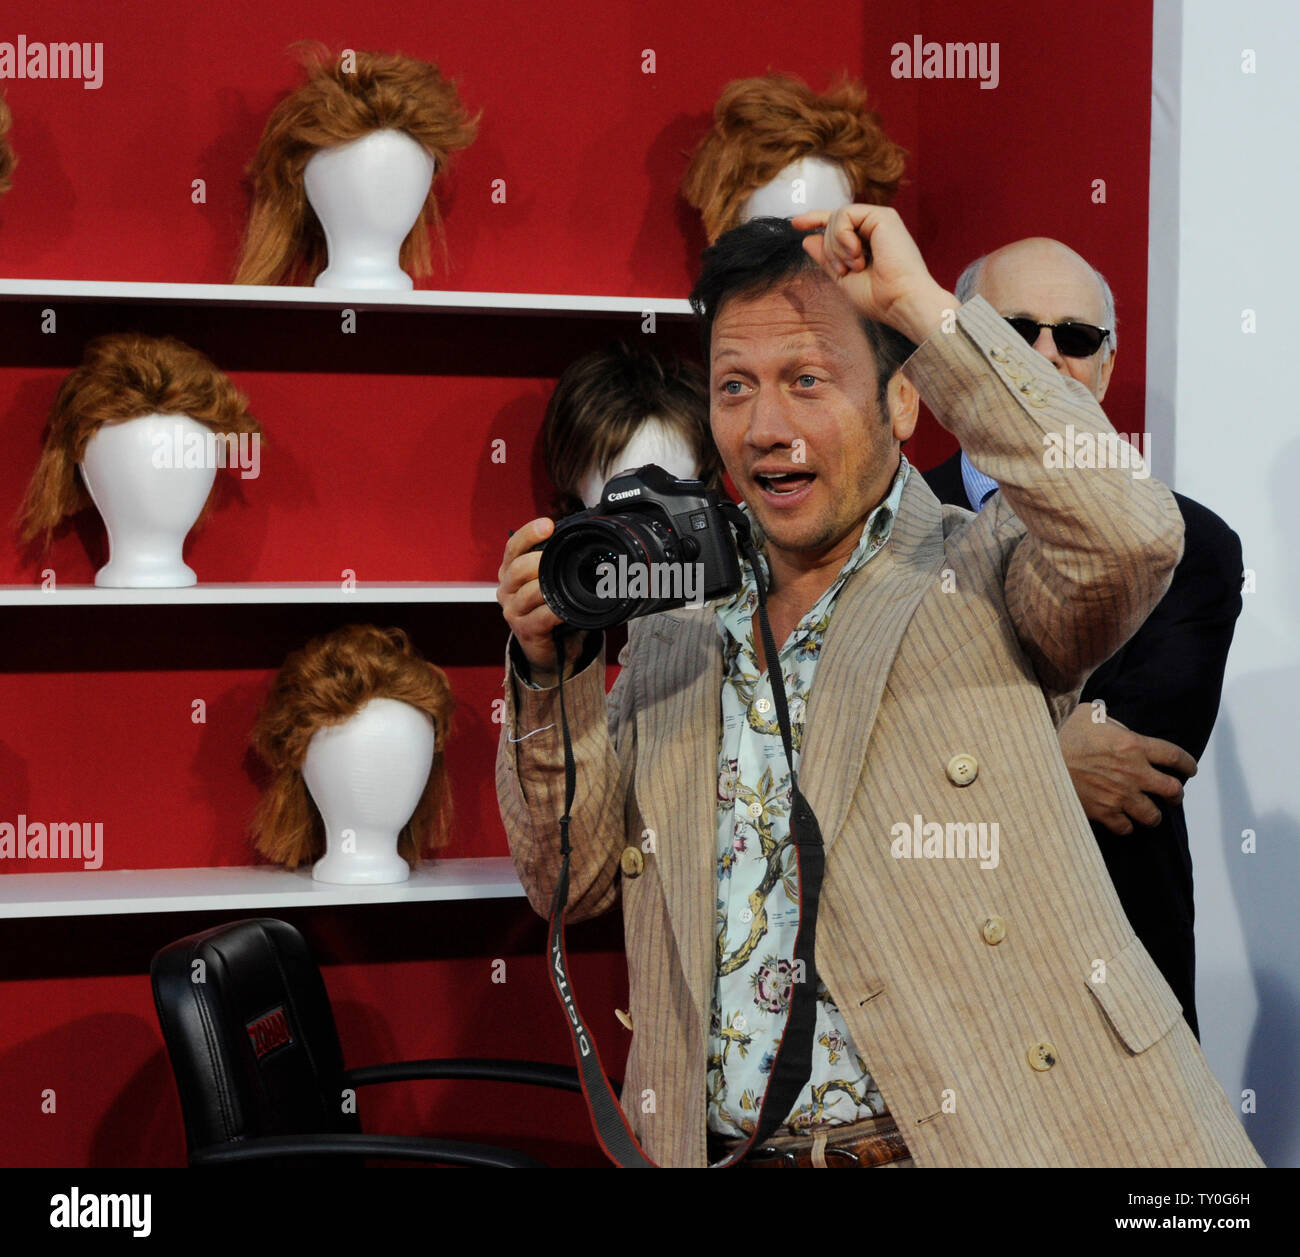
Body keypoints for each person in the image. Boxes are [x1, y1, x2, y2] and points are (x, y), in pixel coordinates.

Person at [495, 208, 1262, 1168]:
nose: (767, 428)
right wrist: (547, 672)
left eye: (806, 380)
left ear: (903, 404)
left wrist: (926, 313)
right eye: (735, 387)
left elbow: (1135, 533)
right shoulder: (675, 624)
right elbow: (569, 876)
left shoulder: (978, 568)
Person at [923, 239, 1244, 1038]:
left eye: (1075, 337)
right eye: (1010, 329)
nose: (1043, 357)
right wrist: (1047, 753)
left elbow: (1134, 770)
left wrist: (951, 748)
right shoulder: (883, 533)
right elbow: (841, 740)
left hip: (1114, 985)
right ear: (959, 345)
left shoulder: (1193, 543)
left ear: (1105, 364)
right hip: (926, 974)